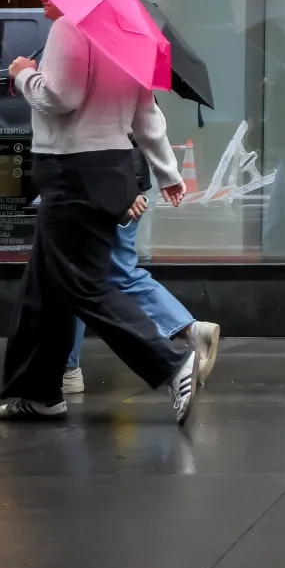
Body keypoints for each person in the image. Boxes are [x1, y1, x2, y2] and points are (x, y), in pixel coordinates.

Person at [0, 0, 199, 424]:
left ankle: (171, 362)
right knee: (44, 288)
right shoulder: (127, 36)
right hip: (108, 168)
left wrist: (24, 74)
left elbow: (59, 97)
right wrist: (167, 172)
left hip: (70, 171)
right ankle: (39, 393)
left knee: (81, 285)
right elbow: (146, 116)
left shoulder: (70, 27)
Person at [61, 143, 220, 395]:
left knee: (78, 273)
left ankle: (67, 368)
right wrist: (167, 174)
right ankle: (190, 330)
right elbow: (149, 130)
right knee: (114, 273)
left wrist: (120, 189)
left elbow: (99, 135)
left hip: (105, 185)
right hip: (123, 182)